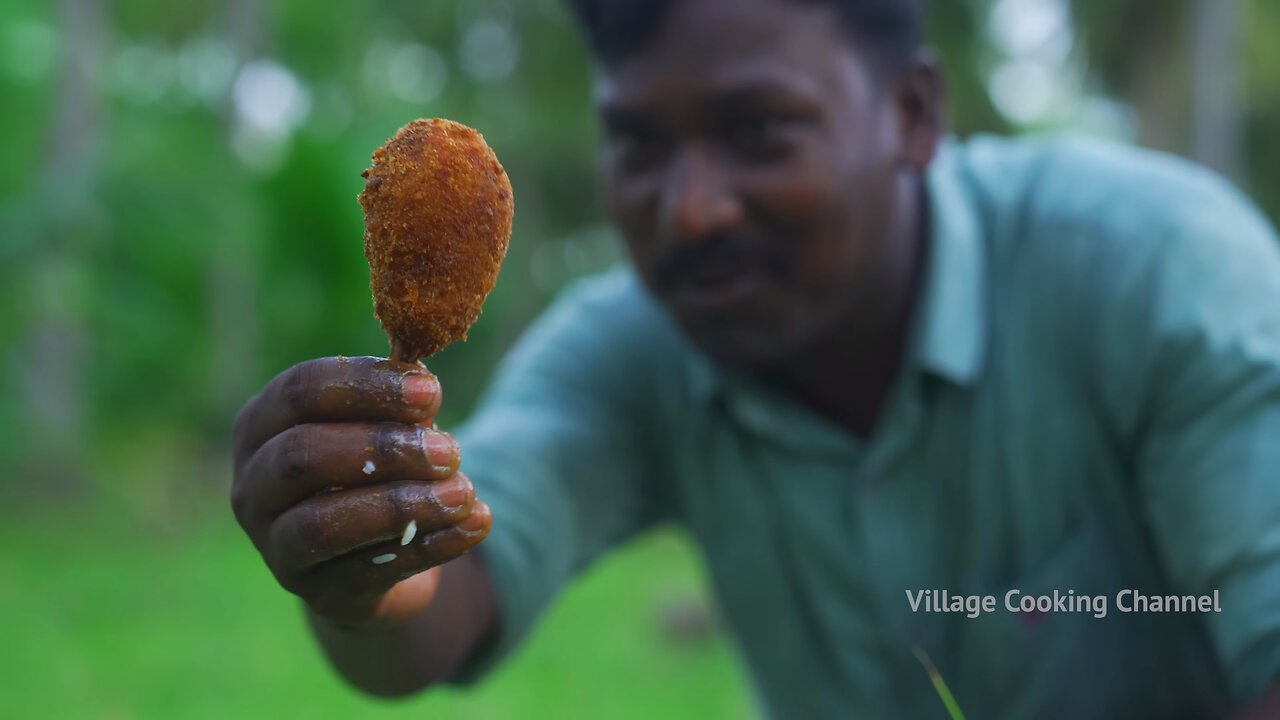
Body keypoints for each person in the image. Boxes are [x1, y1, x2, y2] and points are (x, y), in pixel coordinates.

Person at [229, 0, 1280, 716]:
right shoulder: (638, 344)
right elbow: (450, 589)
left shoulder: (1153, 273)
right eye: (638, 145)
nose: (689, 209)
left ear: (911, 116)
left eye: (759, 131)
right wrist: (364, 558)